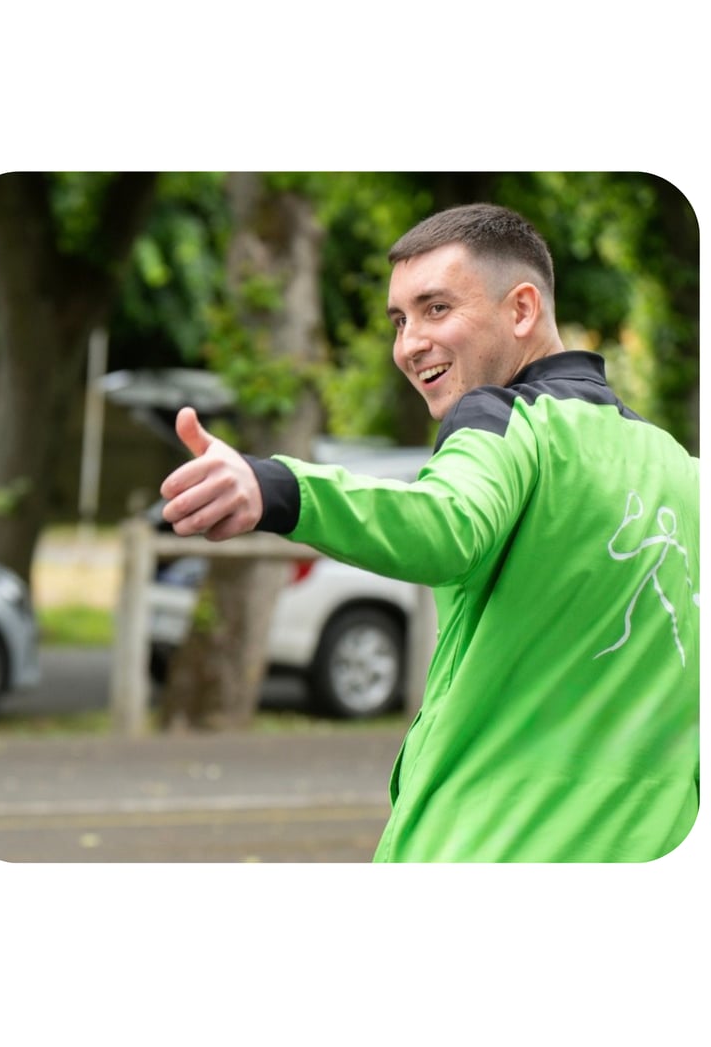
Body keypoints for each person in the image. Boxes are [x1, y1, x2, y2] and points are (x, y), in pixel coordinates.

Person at [161, 203, 700, 863]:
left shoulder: (502, 420)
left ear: (522, 310)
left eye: (436, 309)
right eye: (399, 320)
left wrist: (279, 488)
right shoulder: (681, 467)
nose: (408, 344)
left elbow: (445, 523)